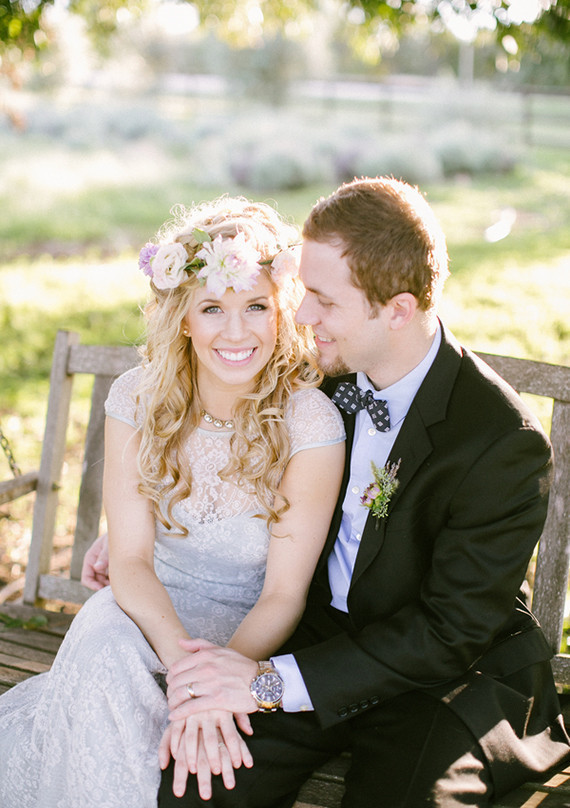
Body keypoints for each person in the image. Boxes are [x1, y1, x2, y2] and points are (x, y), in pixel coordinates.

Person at [147, 177, 569, 807]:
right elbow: (218, 457)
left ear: (397, 309)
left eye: (323, 300)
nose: (302, 316)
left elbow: (451, 630)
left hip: (449, 677)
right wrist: (148, 531)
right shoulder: (317, 380)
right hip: (320, 638)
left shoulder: (501, 442)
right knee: (201, 781)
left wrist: (267, 683)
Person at [0, 197, 346, 808]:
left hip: (243, 640)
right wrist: (189, 677)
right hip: (141, 616)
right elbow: (130, 560)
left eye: (256, 306)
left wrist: (216, 681)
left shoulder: (309, 422)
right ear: (183, 318)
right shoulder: (137, 399)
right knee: (104, 641)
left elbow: (283, 594)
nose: (235, 332)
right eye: (212, 308)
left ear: (282, 312)